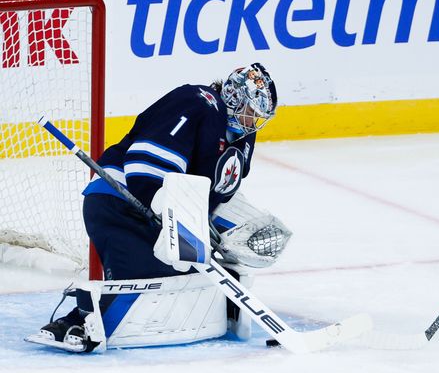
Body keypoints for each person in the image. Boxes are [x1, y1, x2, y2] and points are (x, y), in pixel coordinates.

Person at [27, 62, 288, 353]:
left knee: (188, 285)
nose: (254, 121)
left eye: (260, 116)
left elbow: (213, 197)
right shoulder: (198, 102)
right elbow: (146, 164)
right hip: (120, 205)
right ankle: (74, 322)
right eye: (251, 111)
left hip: (161, 220)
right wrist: (169, 212)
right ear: (234, 97)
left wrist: (218, 232)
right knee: (150, 287)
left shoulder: (242, 140)